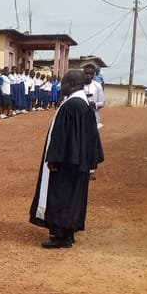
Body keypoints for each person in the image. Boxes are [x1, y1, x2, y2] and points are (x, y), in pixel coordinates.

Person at [29, 70, 105, 248]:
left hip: (67, 162)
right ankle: (67, 234)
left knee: (61, 196)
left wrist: (54, 158)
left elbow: (63, 136)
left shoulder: (72, 105)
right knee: (72, 197)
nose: (60, 86)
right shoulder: (81, 103)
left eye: (63, 83)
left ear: (71, 84)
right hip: (77, 161)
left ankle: (61, 236)